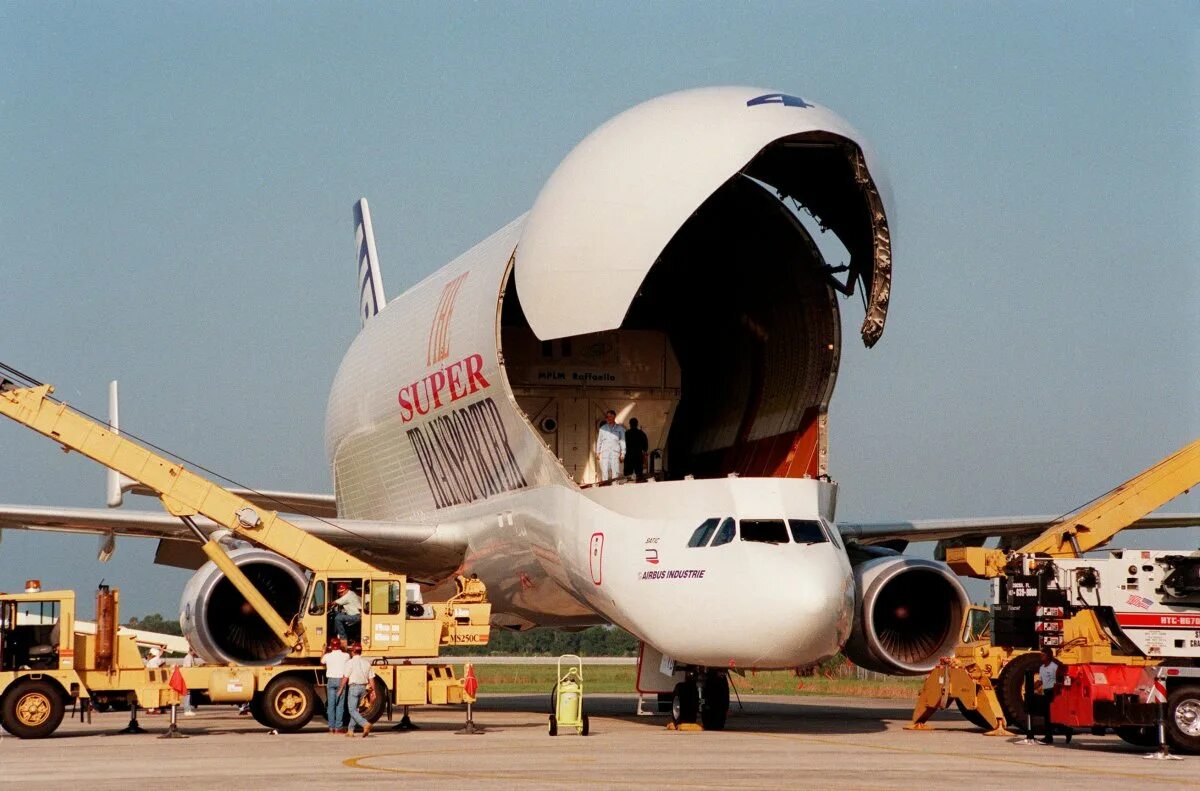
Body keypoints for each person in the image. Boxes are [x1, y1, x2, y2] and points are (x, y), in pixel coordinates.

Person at [1036, 646, 1072, 745]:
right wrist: (1032, 687)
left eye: (1043, 655)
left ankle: (1066, 730)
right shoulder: (1042, 668)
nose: (1041, 657)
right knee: (1047, 715)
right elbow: (1040, 681)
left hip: (1054, 692)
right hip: (1046, 692)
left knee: (1052, 715)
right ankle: (1049, 737)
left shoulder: (1054, 667)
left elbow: (1061, 678)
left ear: (1048, 656)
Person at [341, 642, 374, 737]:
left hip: (354, 687)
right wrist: (373, 691)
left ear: (353, 652)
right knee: (355, 709)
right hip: (363, 688)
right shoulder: (366, 663)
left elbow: (345, 677)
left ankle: (365, 724)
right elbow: (371, 678)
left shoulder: (350, 662)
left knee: (351, 709)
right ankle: (350, 730)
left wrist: (341, 688)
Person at [321, 637, 349, 734]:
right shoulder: (345, 655)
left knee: (331, 706)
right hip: (341, 681)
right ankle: (338, 728)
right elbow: (348, 657)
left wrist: (324, 650)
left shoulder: (327, 656)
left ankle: (331, 728)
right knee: (340, 705)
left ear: (331, 646)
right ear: (339, 645)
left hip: (331, 681)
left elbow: (321, 661)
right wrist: (344, 647)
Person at [594, 409, 625, 482]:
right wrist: (597, 452)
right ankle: (605, 489)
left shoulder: (620, 429)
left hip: (615, 454)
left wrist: (623, 453)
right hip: (605, 453)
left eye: (610, 416)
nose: (608, 418)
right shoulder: (603, 428)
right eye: (607, 417)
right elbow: (599, 441)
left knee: (615, 474)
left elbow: (622, 441)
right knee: (604, 473)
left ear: (614, 417)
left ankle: (614, 490)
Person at [181, 647, 200, 716]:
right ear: (192, 651)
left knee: (187, 694)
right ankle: (187, 710)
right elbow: (189, 668)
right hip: (188, 678)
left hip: (187, 678)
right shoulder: (188, 657)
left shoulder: (189, 657)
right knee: (187, 694)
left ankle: (188, 709)